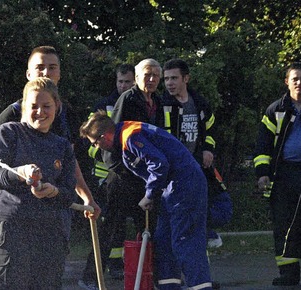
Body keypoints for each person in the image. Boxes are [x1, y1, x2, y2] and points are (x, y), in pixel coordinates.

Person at [80, 111, 212, 290]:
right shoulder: (127, 131)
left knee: (184, 241)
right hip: (171, 188)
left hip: (184, 186)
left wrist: (149, 194)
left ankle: (200, 286)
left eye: (96, 143)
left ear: (104, 137)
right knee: (163, 242)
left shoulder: (131, 137)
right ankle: (169, 286)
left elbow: (159, 164)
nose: (97, 147)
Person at [0, 77, 77, 289]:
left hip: (49, 234)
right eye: (34, 106)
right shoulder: (8, 133)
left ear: (57, 107)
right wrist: (20, 173)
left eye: (46, 106)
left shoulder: (62, 146)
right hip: (11, 231)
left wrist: (53, 192)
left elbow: (69, 195)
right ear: (24, 106)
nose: (40, 112)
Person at [0, 46, 101, 225]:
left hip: (54, 216)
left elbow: (70, 164)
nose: (45, 72)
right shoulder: (10, 118)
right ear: (28, 74)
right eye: (39, 67)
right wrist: (22, 174)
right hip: (16, 216)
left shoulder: (67, 115)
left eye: (52, 67)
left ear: (59, 73)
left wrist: (87, 197)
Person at [79, 59, 162, 289]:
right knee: (110, 227)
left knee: (148, 228)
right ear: (138, 77)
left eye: (156, 75)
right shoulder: (128, 99)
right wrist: (121, 169)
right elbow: (111, 138)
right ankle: (90, 277)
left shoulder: (158, 101)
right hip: (122, 176)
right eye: (147, 75)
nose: (152, 79)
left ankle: (148, 277)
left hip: (143, 178)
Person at [253, 62, 301, 286]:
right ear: (287, 82)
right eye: (295, 79)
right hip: (283, 175)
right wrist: (263, 173)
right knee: (283, 225)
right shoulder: (275, 110)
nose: (299, 83)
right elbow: (263, 145)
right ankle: (288, 273)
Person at [160, 58, 232, 249]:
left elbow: (211, 130)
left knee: (224, 209)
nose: (169, 83)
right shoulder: (162, 104)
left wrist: (208, 149)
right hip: (175, 172)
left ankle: (204, 229)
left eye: (174, 78)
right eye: (166, 79)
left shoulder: (200, 103)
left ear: (186, 78)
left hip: (200, 167)